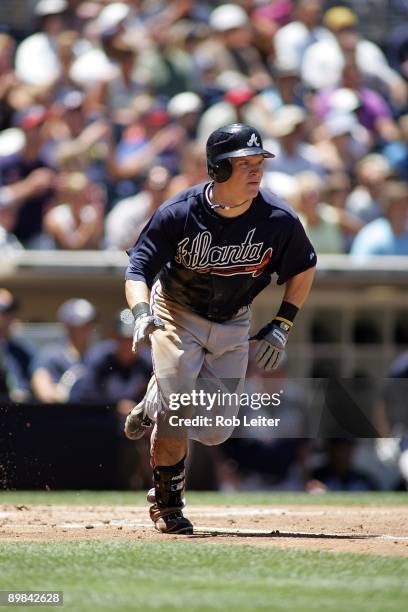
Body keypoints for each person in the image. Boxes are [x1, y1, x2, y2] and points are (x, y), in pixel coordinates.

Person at [124, 123, 316, 534]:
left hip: (233, 320)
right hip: (176, 312)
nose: (254, 171)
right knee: (176, 413)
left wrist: (282, 323)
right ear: (217, 169)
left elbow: (304, 267)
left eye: (257, 162)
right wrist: (141, 312)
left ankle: (156, 395)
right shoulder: (180, 210)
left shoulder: (277, 219)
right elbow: (138, 267)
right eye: (242, 163)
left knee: (214, 432)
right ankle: (168, 504)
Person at [31, 298, 96, 403]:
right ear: (68, 326)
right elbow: (43, 391)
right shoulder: (50, 354)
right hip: (59, 416)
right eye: (81, 325)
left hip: (92, 417)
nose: (87, 328)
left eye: (90, 323)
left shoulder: (97, 355)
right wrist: (57, 394)